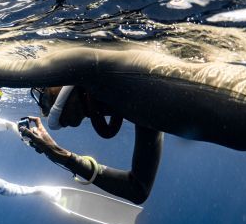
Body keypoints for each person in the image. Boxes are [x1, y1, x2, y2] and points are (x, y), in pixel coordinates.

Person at [0, 40, 246, 203]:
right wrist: (59, 155)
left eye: (41, 90)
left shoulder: (98, 63)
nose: (40, 96)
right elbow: (138, 189)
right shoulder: (139, 109)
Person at [19, 85, 163, 204]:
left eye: (44, 94)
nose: (45, 111)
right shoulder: (141, 106)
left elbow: (138, 190)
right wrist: (63, 156)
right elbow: (137, 189)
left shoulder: (141, 92)